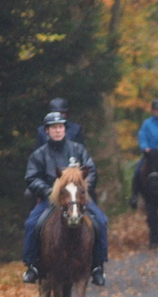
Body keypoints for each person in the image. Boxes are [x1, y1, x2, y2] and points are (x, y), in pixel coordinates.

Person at [23, 112, 107, 286]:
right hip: (51, 200)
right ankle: (33, 265)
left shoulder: (78, 150)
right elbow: (31, 177)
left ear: (65, 129)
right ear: (47, 131)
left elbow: (90, 171)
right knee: (32, 224)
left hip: (76, 199)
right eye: (54, 128)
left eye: (60, 127)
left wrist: (81, 189)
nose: (57, 130)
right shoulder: (39, 154)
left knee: (101, 221)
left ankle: (98, 266)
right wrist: (49, 191)